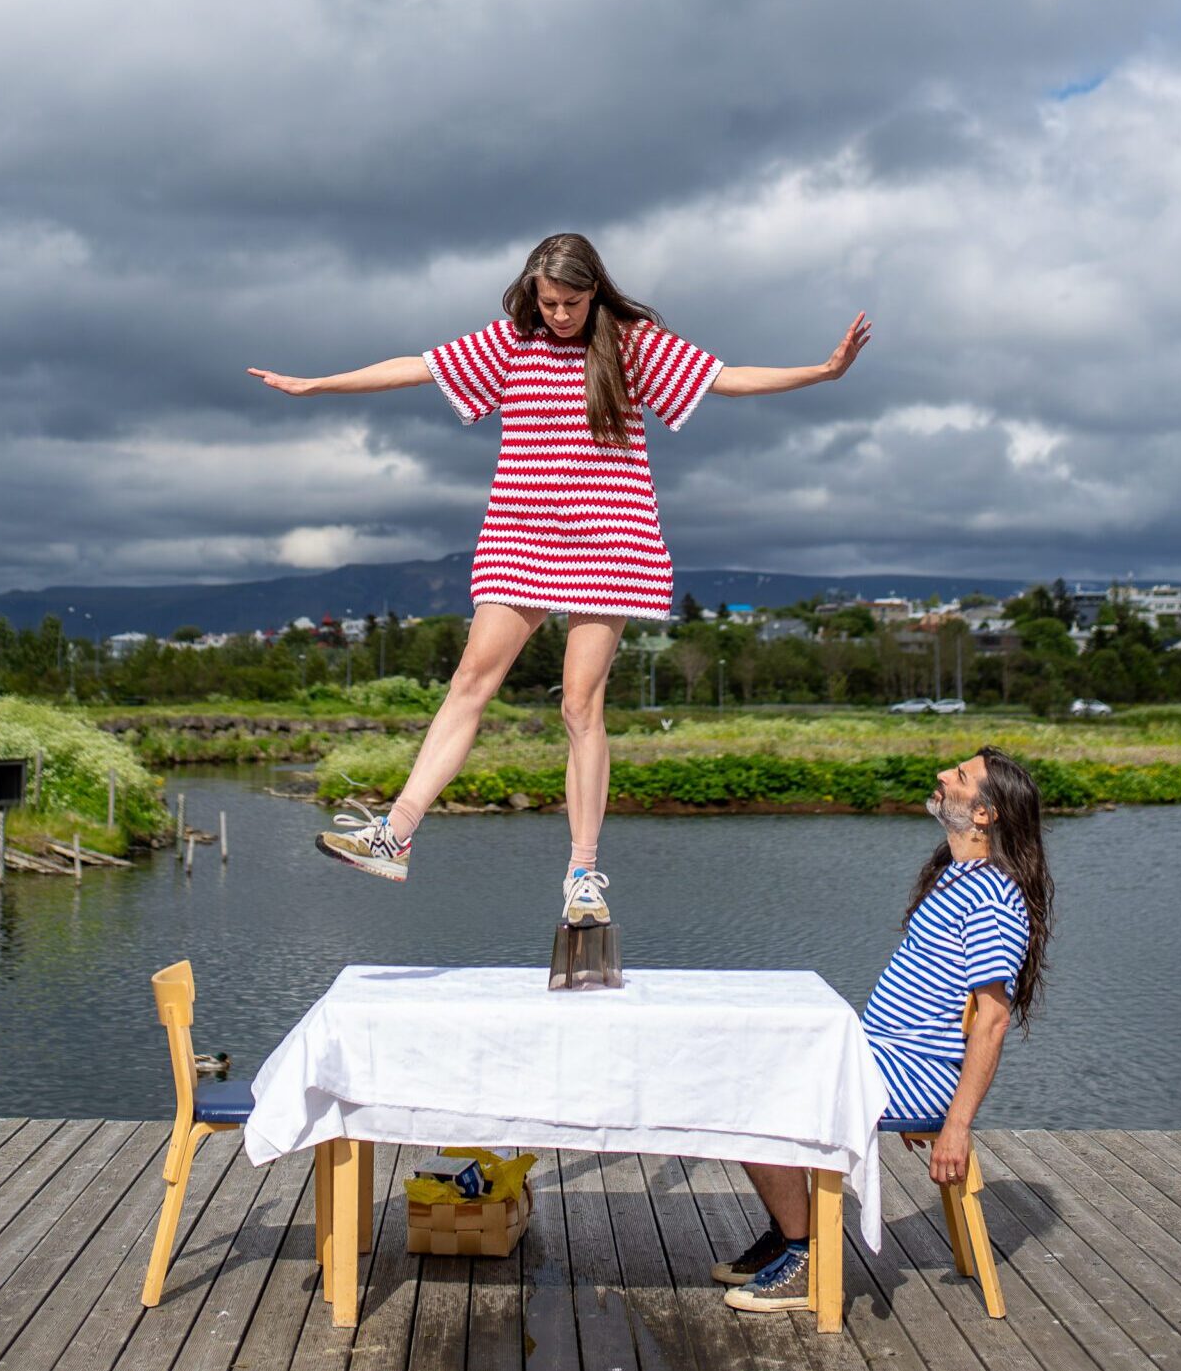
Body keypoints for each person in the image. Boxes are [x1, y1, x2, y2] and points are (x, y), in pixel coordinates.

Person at [249, 231, 871, 925]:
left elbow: (725, 377)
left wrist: (821, 372)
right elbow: (417, 366)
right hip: (519, 537)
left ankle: (582, 877)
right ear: (532, 295)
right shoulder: (512, 343)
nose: (560, 315)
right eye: (549, 302)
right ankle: (393, 835)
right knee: (469, 684)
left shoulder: (631, 344)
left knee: (580, 707)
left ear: (594, 291)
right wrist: (317, 384)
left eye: (572, 302)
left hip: (609, 541)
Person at [718, 745, 1053, 1312]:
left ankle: (804, 1258)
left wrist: (955, 1124)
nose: (944, 775)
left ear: (984, 814)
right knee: (754, 1068)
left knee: (753, 1095)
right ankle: (791, 1229)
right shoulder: (957, 876)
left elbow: (991, 1022)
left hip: (918, 1074)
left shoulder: (994, 896)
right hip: (893, 1062)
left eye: (963, 776)